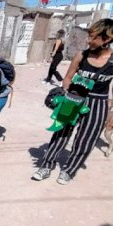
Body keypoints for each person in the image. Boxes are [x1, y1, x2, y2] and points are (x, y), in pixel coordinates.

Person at [33, 18, 113, 185]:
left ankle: (69, 170)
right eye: (88, 35)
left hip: (98, 103)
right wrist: (69, 98)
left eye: (93, 37)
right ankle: (46, 166)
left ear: (107, 39)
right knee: (60, 133)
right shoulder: (81, 56)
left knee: (86, 139)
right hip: (73, 98)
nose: (88, 40)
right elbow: (67, 78)